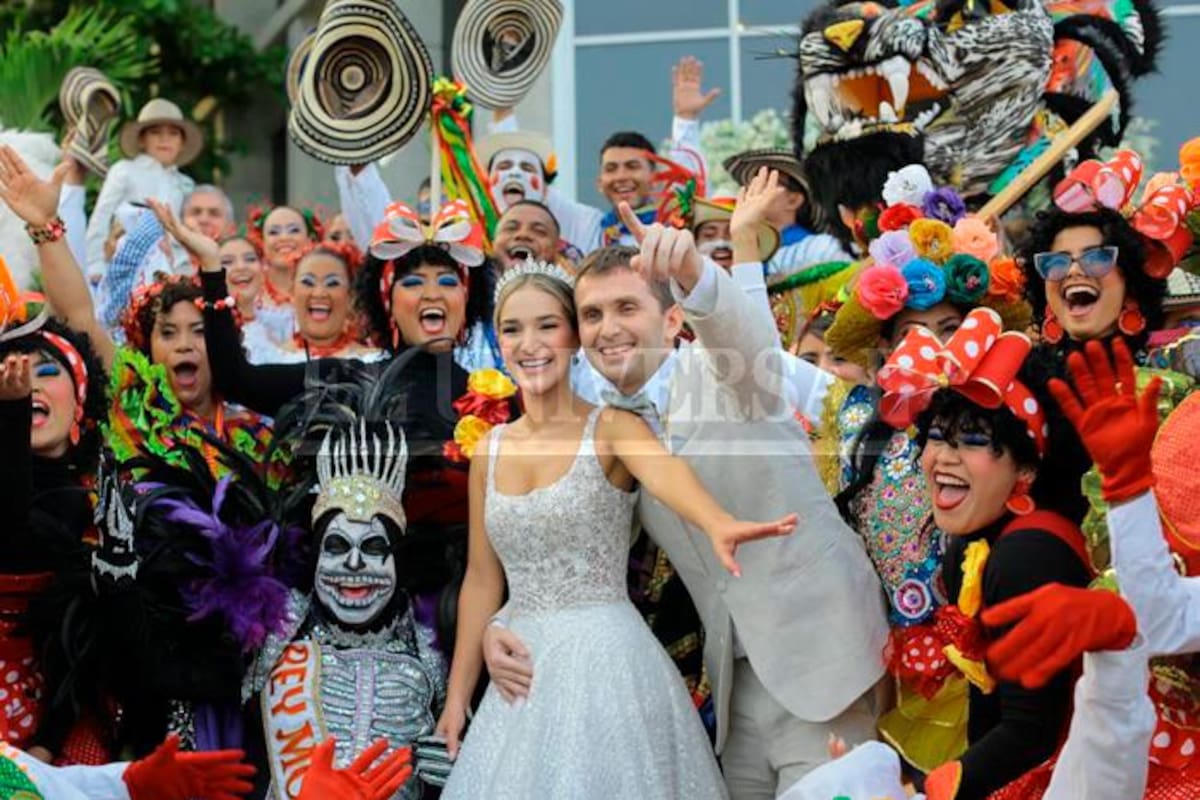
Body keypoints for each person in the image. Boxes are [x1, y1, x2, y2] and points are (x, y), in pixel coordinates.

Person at [483, 200, 889, 798]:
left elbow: (744, 333)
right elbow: (564, 546)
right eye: (591, 315)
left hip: (824, 661)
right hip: (733, 689)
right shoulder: (613, 432)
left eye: (627, 307)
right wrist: (503, 624)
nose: (608, 327)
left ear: (674, 320)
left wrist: (697, 274)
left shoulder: (730, 373)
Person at [436, 259, 797, 798]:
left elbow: (665, 472)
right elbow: (483, 580)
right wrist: (457, 698)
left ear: (575, 337)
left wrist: (717, 522)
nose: (529, 343)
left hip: (610, 667)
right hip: (521, 678)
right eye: (512, 328)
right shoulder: (490, 449)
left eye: (547, 325)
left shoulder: (611, 426)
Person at [872, 309, 1094, 799]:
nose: (944, 457)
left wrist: (924, 793)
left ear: (1027, 469)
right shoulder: (976, 544)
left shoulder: (1029, 557)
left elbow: (1030, 734)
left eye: (974, 441)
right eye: (936, 436)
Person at [489, 55, 720, 253]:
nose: (621, 176)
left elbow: (688, 182)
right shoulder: (588, 226)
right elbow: (522, 181)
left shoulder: (673, 224)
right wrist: (503, 102)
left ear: (655, 178)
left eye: (632, 166)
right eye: (611, 169)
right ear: (599, 183)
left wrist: (685, 119)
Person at [83, 98, 201, 280]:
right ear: (141, 140)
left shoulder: (186, 184)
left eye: (173, 133)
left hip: (178, 269)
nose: (164, 139)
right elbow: (101, 216)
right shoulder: (125, 170)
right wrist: (95, 265)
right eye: (155, 132)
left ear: (182, 142)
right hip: (129, 266)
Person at [231, 239, 382, 364]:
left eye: (332, 283)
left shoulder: (373, 362)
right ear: (292, 292)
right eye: (308, 282)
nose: (319, 293)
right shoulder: (267, 360)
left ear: (350, 295)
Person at [723, 149, 850, 276]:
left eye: (768, 183)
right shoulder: (730, 253)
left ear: (793, 200)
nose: (754, 190)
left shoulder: (823, 248)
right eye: (754, 184)